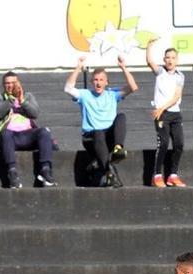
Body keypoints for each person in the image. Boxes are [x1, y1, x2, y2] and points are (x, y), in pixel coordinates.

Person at [65, 55, 138, 188]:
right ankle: (108, 170)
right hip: (91, 138)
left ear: (106, 82)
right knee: (98, 132)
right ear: (92, 82)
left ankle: (118, 148)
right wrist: (78, 67)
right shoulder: (85, 95)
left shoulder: (112, 94)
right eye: (95, 80)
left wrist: (123, 68)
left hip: (109, 136)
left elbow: (133, 87)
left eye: (101, 80)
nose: (98, 83)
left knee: (121, 117)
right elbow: (68, 89)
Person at [0, 72, 57, 189]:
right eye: (7, 83)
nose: (10, 86)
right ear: (3, 85)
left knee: (44, 131)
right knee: (6, 133)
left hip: (27, 135)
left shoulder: (28, 96)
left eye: (13, 83)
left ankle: (45, 171)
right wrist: (12, 99)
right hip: (10, 138)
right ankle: (12, 173)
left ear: (18, 83)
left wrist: (22, 101)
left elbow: (35, 113)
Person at [145, 43, 186, 188]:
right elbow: (150, 61)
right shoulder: (160, 72)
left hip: (174, 114)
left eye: (173, 58)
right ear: (164, 59)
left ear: (177, 60)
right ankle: (156, 176)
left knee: (179, 144)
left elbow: (176, 97)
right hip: (161, 115)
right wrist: (149, 45)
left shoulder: (180, 76)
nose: (170, 60)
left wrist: (162, 108)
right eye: (167, 57)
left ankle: (172, 176)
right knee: (162, 144)